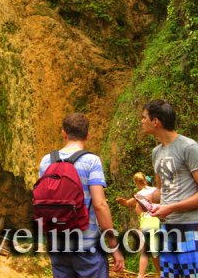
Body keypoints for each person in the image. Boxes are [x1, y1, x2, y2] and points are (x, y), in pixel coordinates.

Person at [38, 113, 124, 277]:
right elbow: (100, 205)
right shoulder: (92, 161)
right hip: (86, 244)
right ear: (87, 135)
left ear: (64, 133)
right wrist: (113, 246)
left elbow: (42, 202)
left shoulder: (46, 161)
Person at [141, 99, 198, 278]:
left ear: (155, 121)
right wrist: (148, 199)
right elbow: (161, 191)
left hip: (190, 228)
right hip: (167, 228)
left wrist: (171, 208)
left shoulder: (189, 147)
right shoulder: (156, 152)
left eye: (144, 118)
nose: (141, 121)